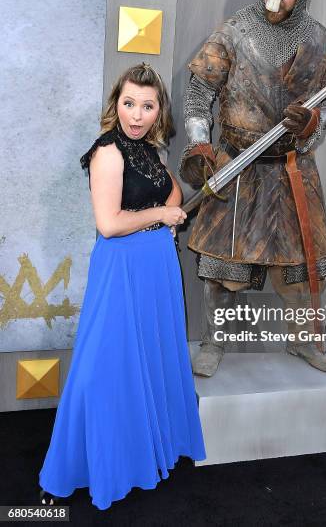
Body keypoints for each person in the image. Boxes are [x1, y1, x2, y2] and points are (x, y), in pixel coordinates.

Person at [179, 0, 326, 377]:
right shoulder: (233, 32)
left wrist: (315, 120)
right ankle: (215, 342)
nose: (275, 3)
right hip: (238, 166)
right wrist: (200, 143)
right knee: (224, 263)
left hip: (292, 168)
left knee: (304, 263)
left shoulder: (319, 40)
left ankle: (304, 340)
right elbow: (199, 92)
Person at [38, 63, 206, 510]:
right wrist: (159, 218)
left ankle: (142, 454)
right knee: (103, 365)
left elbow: (171, 196)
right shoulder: (107, 153)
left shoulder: (152, 151)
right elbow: (109, 225)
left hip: (154, 267)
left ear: (158, 112)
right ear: (117, 103)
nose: (136, 114)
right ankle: (70, 469)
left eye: (147, 106)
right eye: (129, 103)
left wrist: (166, 221)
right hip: (121, 269)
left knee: (147, 361)